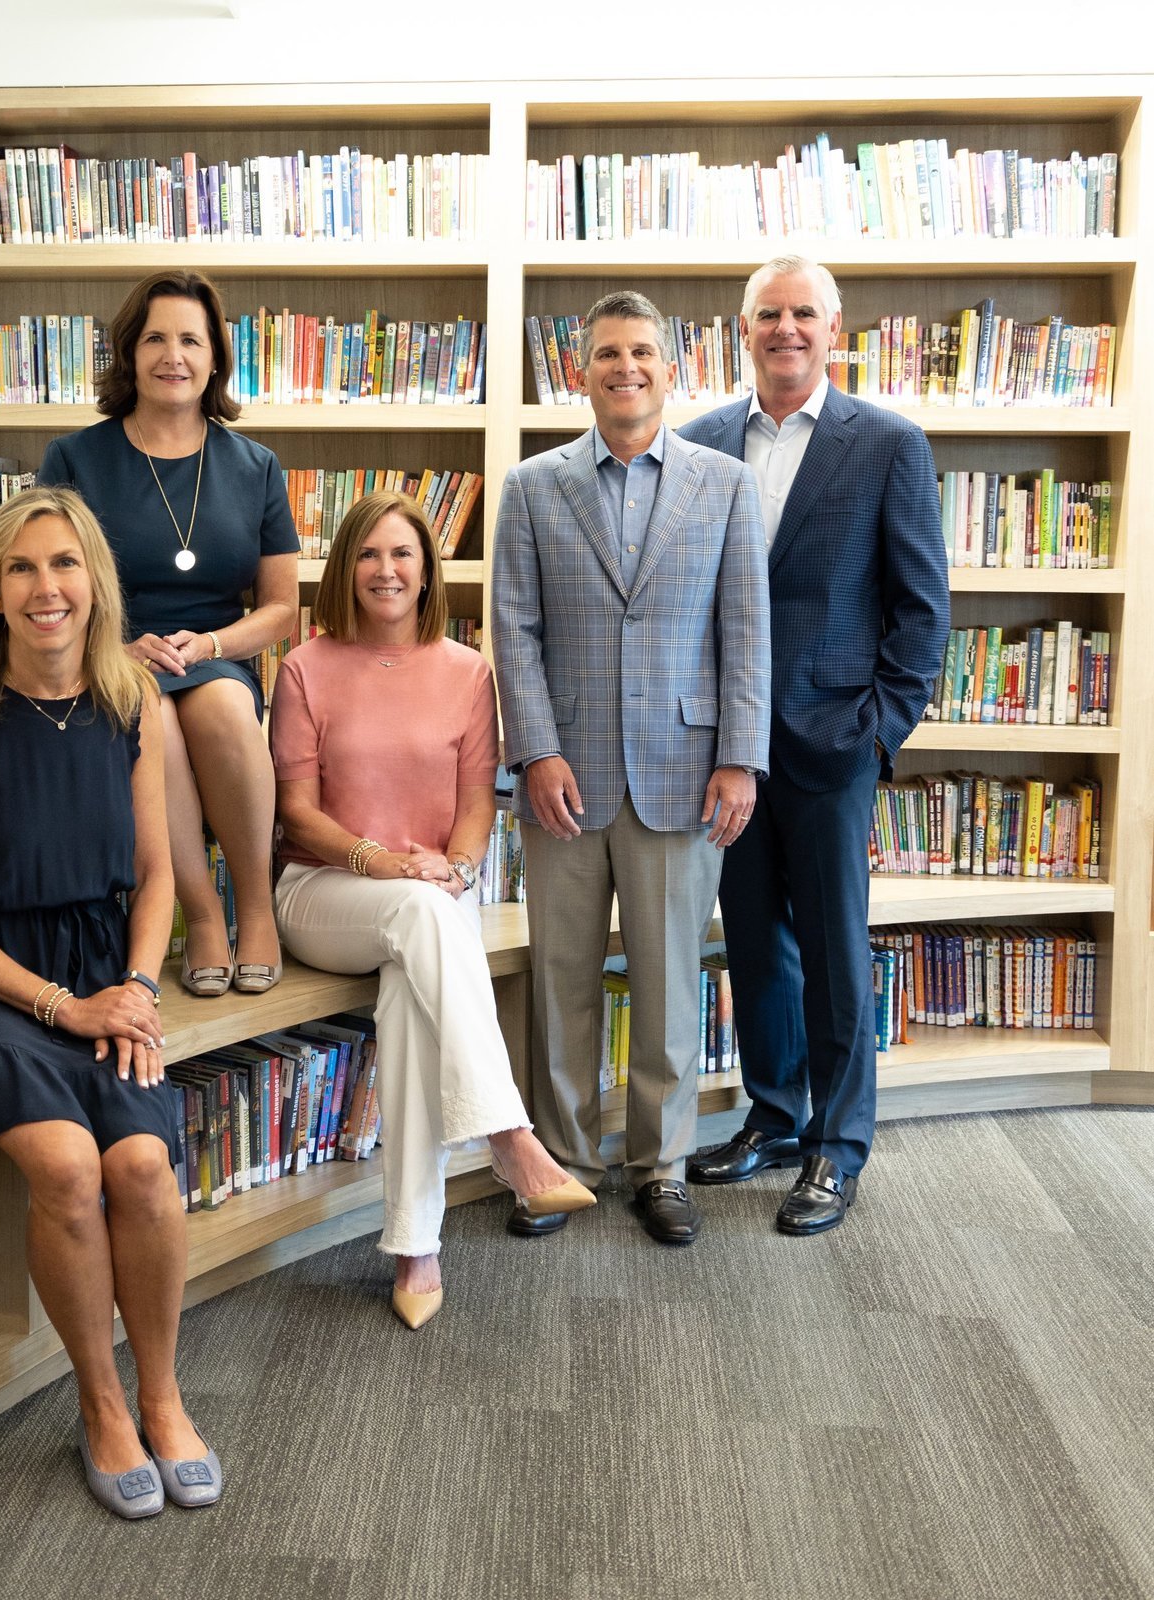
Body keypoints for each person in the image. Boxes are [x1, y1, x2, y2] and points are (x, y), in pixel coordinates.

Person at [0, 485, 221, 1519]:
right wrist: (58, 1006)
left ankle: (162, 1396)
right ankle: (101, 1402)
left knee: (144, 1166)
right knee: (71, 1167)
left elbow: (159, 874)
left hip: (101, 974)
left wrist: (135, 986)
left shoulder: (133, 703)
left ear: (94, 585)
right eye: (23, 568)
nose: (46, 588)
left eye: (65, 565)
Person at [271, 490, 595, 1329]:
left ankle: (416, 1245)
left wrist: (454, 868)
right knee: (418, 918)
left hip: (425, 896)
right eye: (370, 554)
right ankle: (508, 1136)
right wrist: (377, 861)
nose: (386, 569)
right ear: (347, 566)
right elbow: (296, 813)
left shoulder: (468, 672)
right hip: (323, 889)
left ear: (426, 570)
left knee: (413, 994)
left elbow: (474, 806)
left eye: (403, 554)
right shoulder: (306, 666)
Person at [491, 291, 770, 1247]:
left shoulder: (723, 484)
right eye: (607, 353)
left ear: (670, 367)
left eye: (642, 352)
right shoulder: (531, 488)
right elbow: (514, 630)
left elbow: (745, 630)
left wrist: (740, 757)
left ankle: (660, 1165)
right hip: (561, 780)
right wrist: (534, 748)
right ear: (579, 371)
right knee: (561, 980)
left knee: (663, 986)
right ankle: (564, 1164)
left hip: (682, 772)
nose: (626, 367)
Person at [680, 255, 949, 1233]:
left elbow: (920, 613)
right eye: (767, 315)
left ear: (834, 330)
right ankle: (775, 1114)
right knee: (753, 946)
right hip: (727, 753)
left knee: (835, 955)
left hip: (832, 745)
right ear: (739, 328)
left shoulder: (885, 445)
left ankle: (837, 1148)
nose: (784, 329)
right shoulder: (699, 440)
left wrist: (877, 730)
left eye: (802, 314)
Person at [37, 270, 298, 999]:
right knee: (152, 717)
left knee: (218, 707)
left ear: (216, 358)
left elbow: (281, 608)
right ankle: (203, 913)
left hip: (213, 655)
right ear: (129, 353)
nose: (172, 355)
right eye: (155, 338)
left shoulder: (255, 467)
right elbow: (40, 580)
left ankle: (255, 904)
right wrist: (110, 650)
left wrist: (211, 644)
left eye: (191, 339)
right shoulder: (72, 459)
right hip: (110, 658)